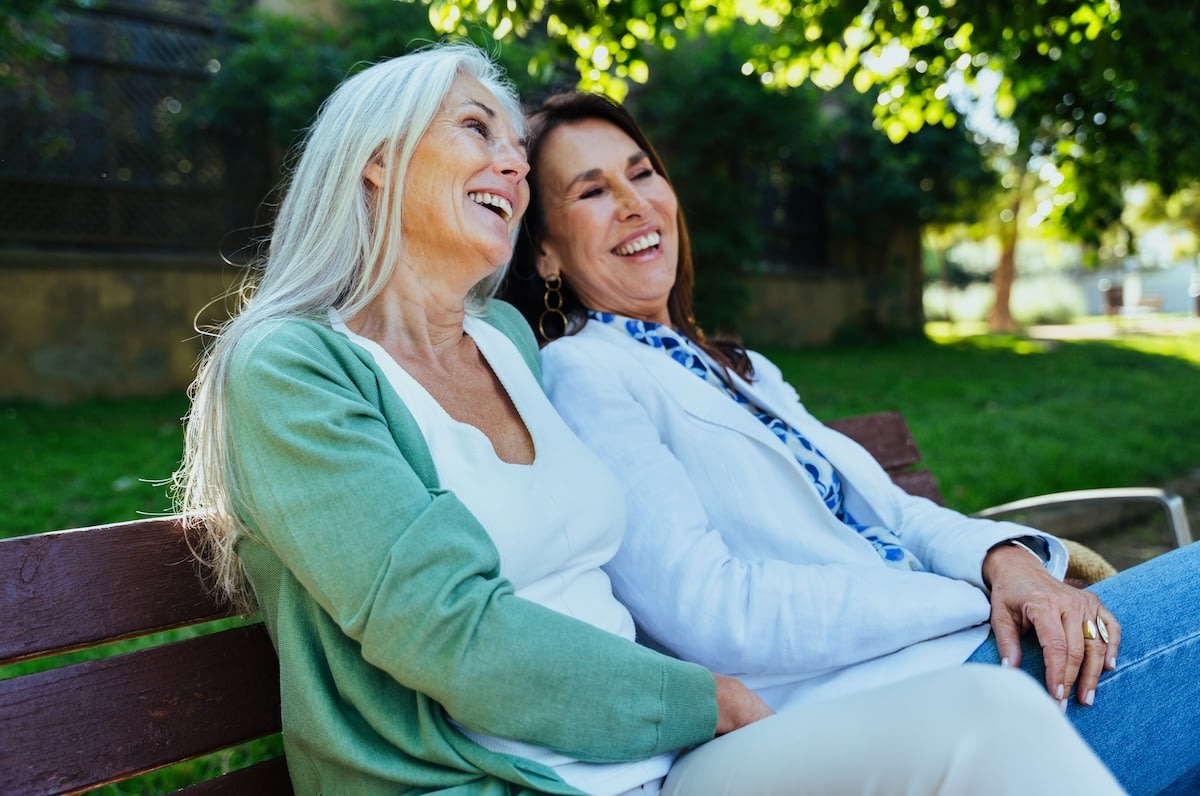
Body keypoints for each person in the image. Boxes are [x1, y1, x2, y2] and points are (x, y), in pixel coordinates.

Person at [174, 44, 1125, 795]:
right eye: (477, 128)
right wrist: (694, 699)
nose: (509, 159)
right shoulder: (292, 368)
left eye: (514, 144)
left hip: (663, 768)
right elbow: (449, 633)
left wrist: (997, 557)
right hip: (502, 781)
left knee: (988, 722)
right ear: (375, 163)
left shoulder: (506, 340)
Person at [504, 89, 1200, 796]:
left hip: (952, 653)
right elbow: (707, 608)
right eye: (592, 191)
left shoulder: (738, 368)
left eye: (642, 173)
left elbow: (892, 512)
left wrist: (1004, 562)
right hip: (867, 704)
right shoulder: (584, 371)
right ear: (548, 253)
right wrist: (956, 599)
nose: (633, 203)